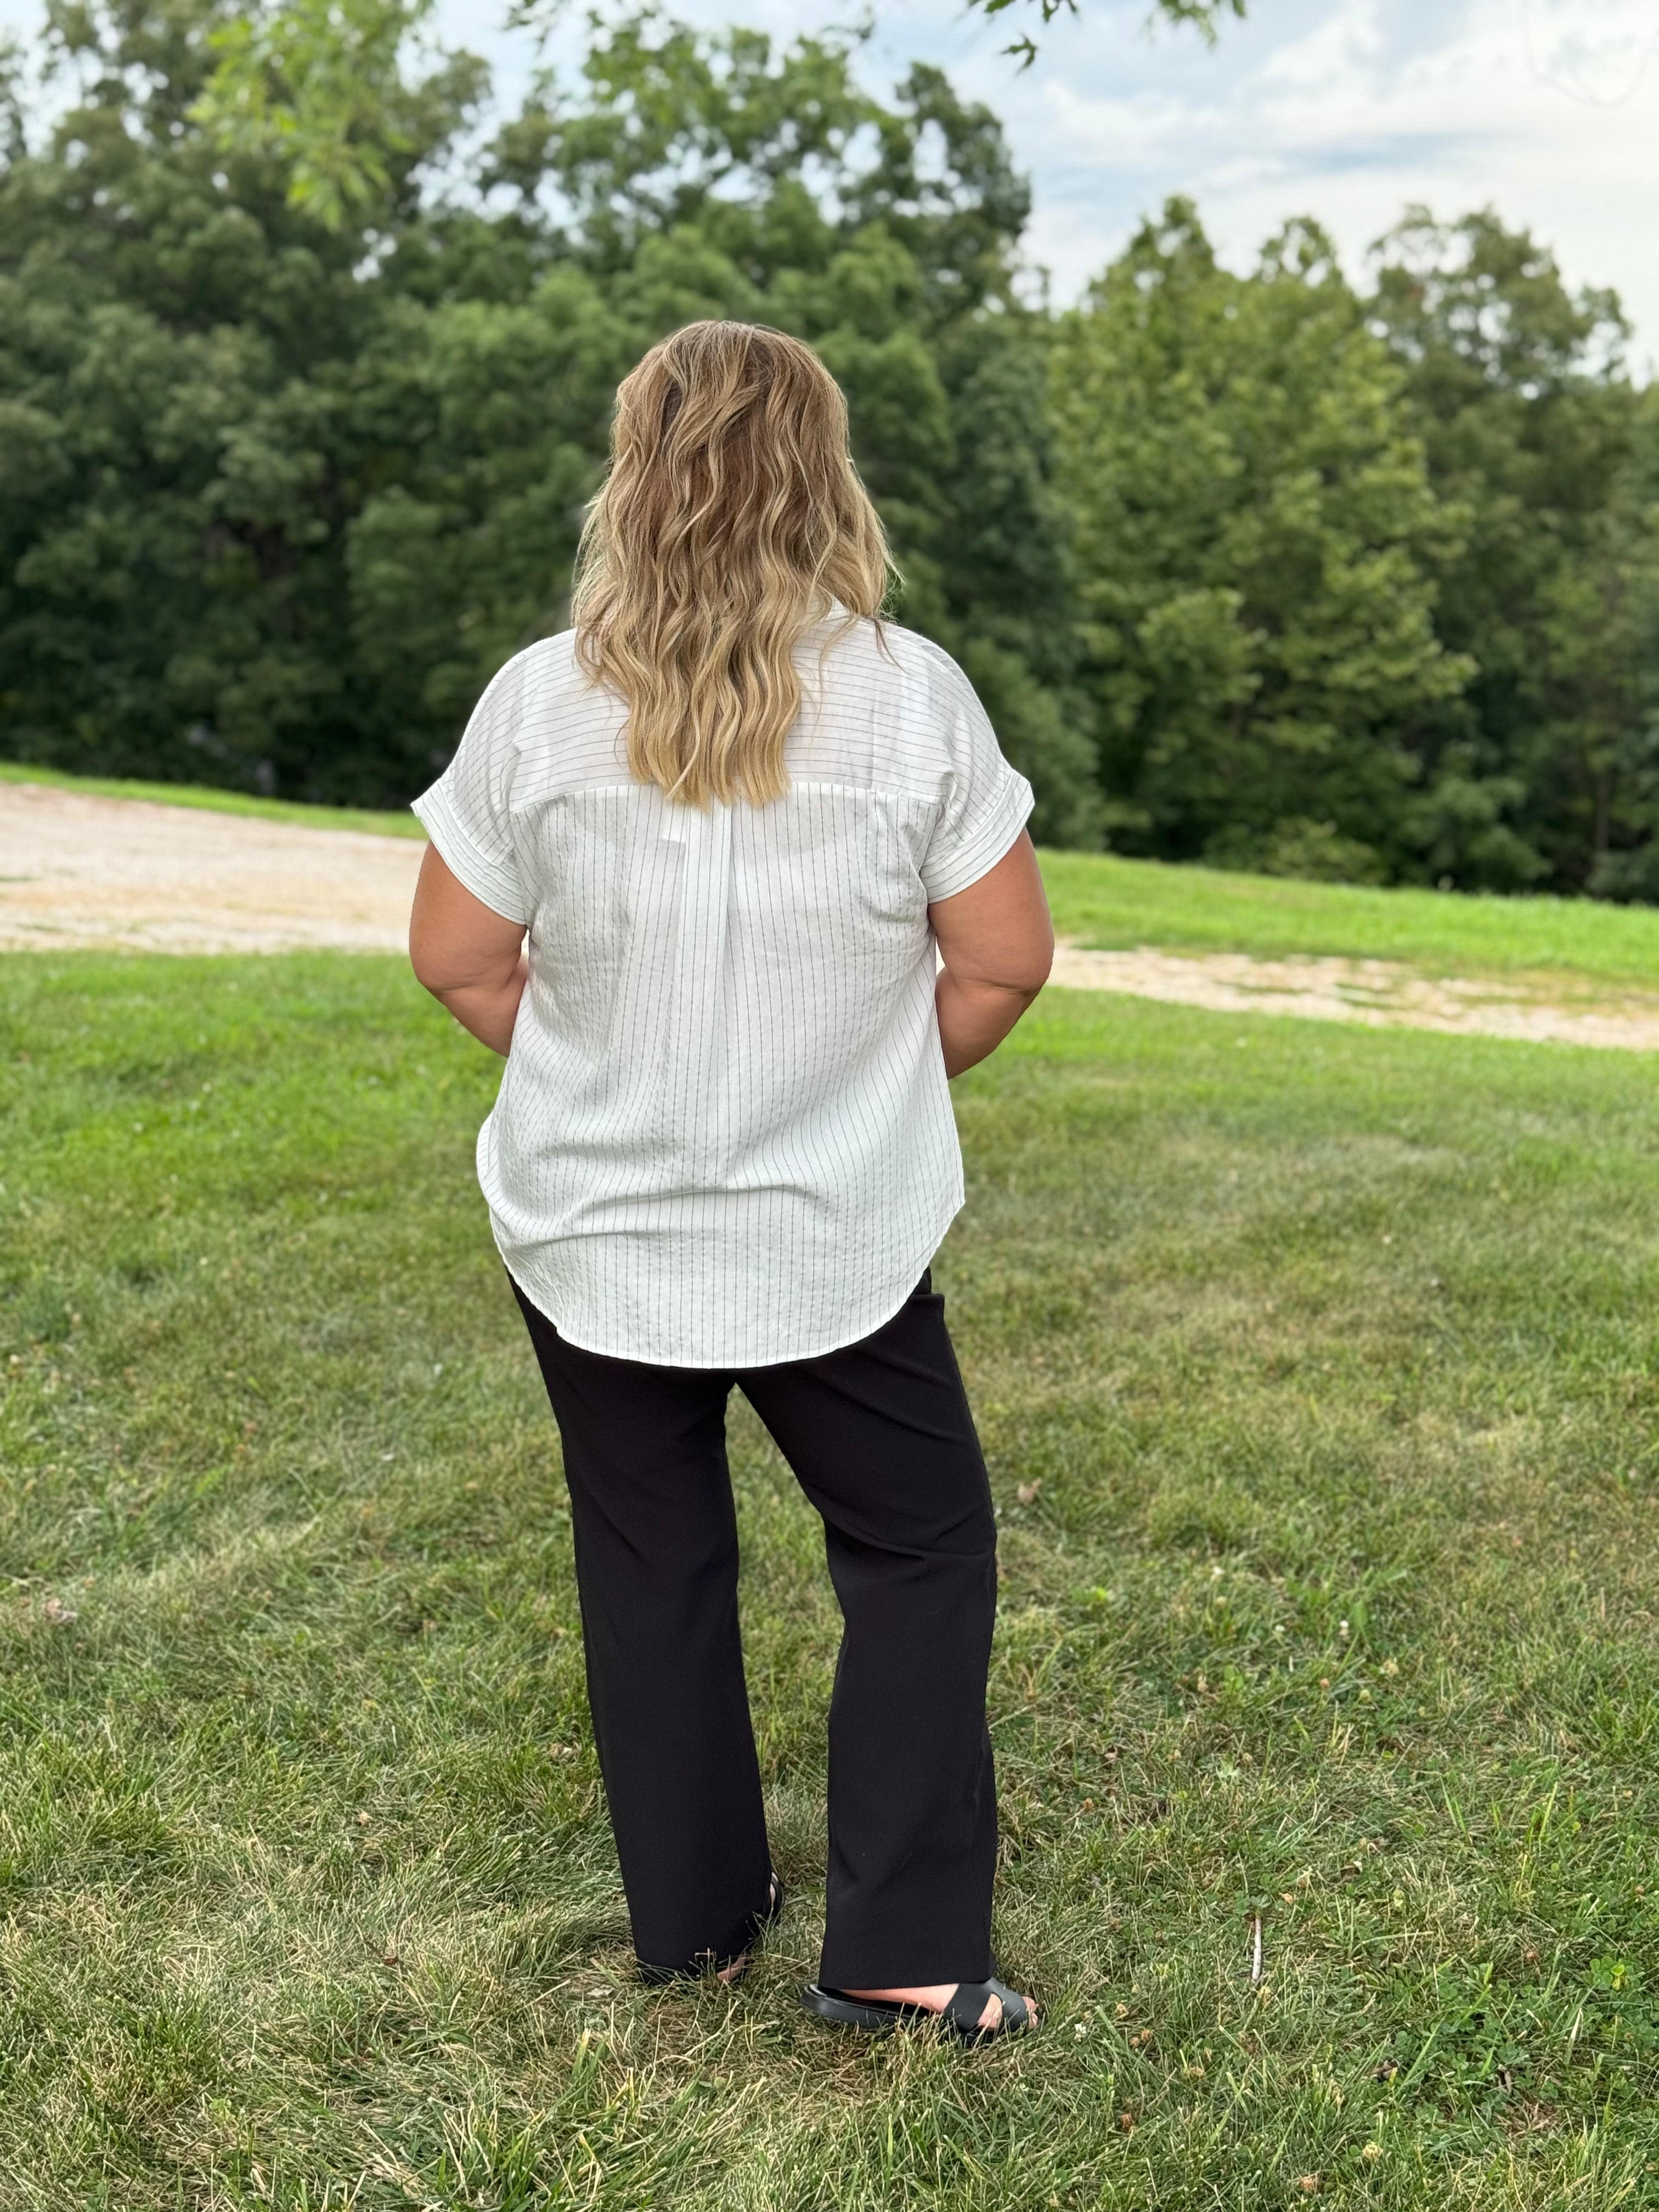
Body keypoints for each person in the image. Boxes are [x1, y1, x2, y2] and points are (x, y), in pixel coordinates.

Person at [407, 320, 1052, 2044]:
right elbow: (1001, 967)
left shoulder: (537, 703)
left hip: (591, 1229)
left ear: (636, 472)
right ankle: (906, 1949)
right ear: (820, 474)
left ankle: (694, 1923)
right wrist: (860, 1079)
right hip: (831, 1230)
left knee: (653, 1559)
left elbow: (461, 963)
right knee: (919, 1546)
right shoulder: (913, 696)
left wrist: (605, 1081)